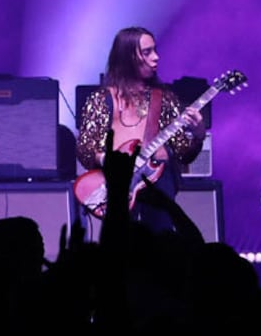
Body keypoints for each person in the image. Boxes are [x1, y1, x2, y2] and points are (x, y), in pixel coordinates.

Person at [75, 26, 205, 232]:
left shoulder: (164, 99)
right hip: (117, 190)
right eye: (147, 52)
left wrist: (198, 133)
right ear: (127, 57)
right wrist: (111, 160)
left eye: (155, 50)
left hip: (157, 191)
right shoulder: (102, 100)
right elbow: (85, 149)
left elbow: (184, 153)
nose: (156, 57)